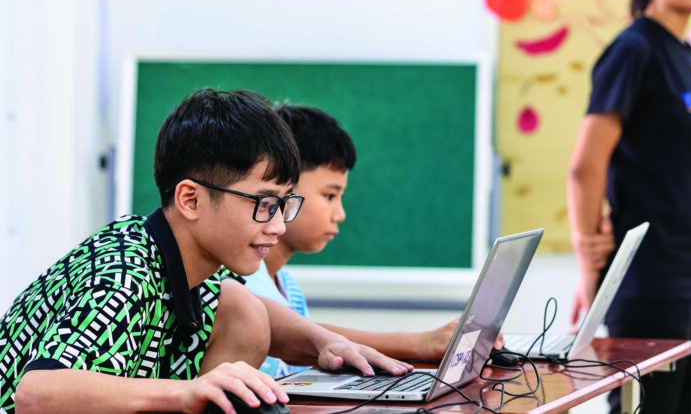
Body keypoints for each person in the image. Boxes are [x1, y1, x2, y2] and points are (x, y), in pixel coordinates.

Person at [0, 88, 409, 414]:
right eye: (263, 203)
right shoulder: (124, 274)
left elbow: (263, 314)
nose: (279, 225)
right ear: (191, 200)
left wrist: (324, 343)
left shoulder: (193, 263)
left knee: (242, 308)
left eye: (285, 204)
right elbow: (37, 395)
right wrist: (185, 393)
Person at [567, 0, 691, 414]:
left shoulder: (684, 57)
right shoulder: (635, 50)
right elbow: (585, 167)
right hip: (653, 282)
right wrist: (590, 270)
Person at [245, 103, 458, 378]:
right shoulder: (237, 281)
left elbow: (311, 345)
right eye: (329, 196)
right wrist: (420, 343)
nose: (341, 214)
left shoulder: (290, 289)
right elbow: (302, 338)